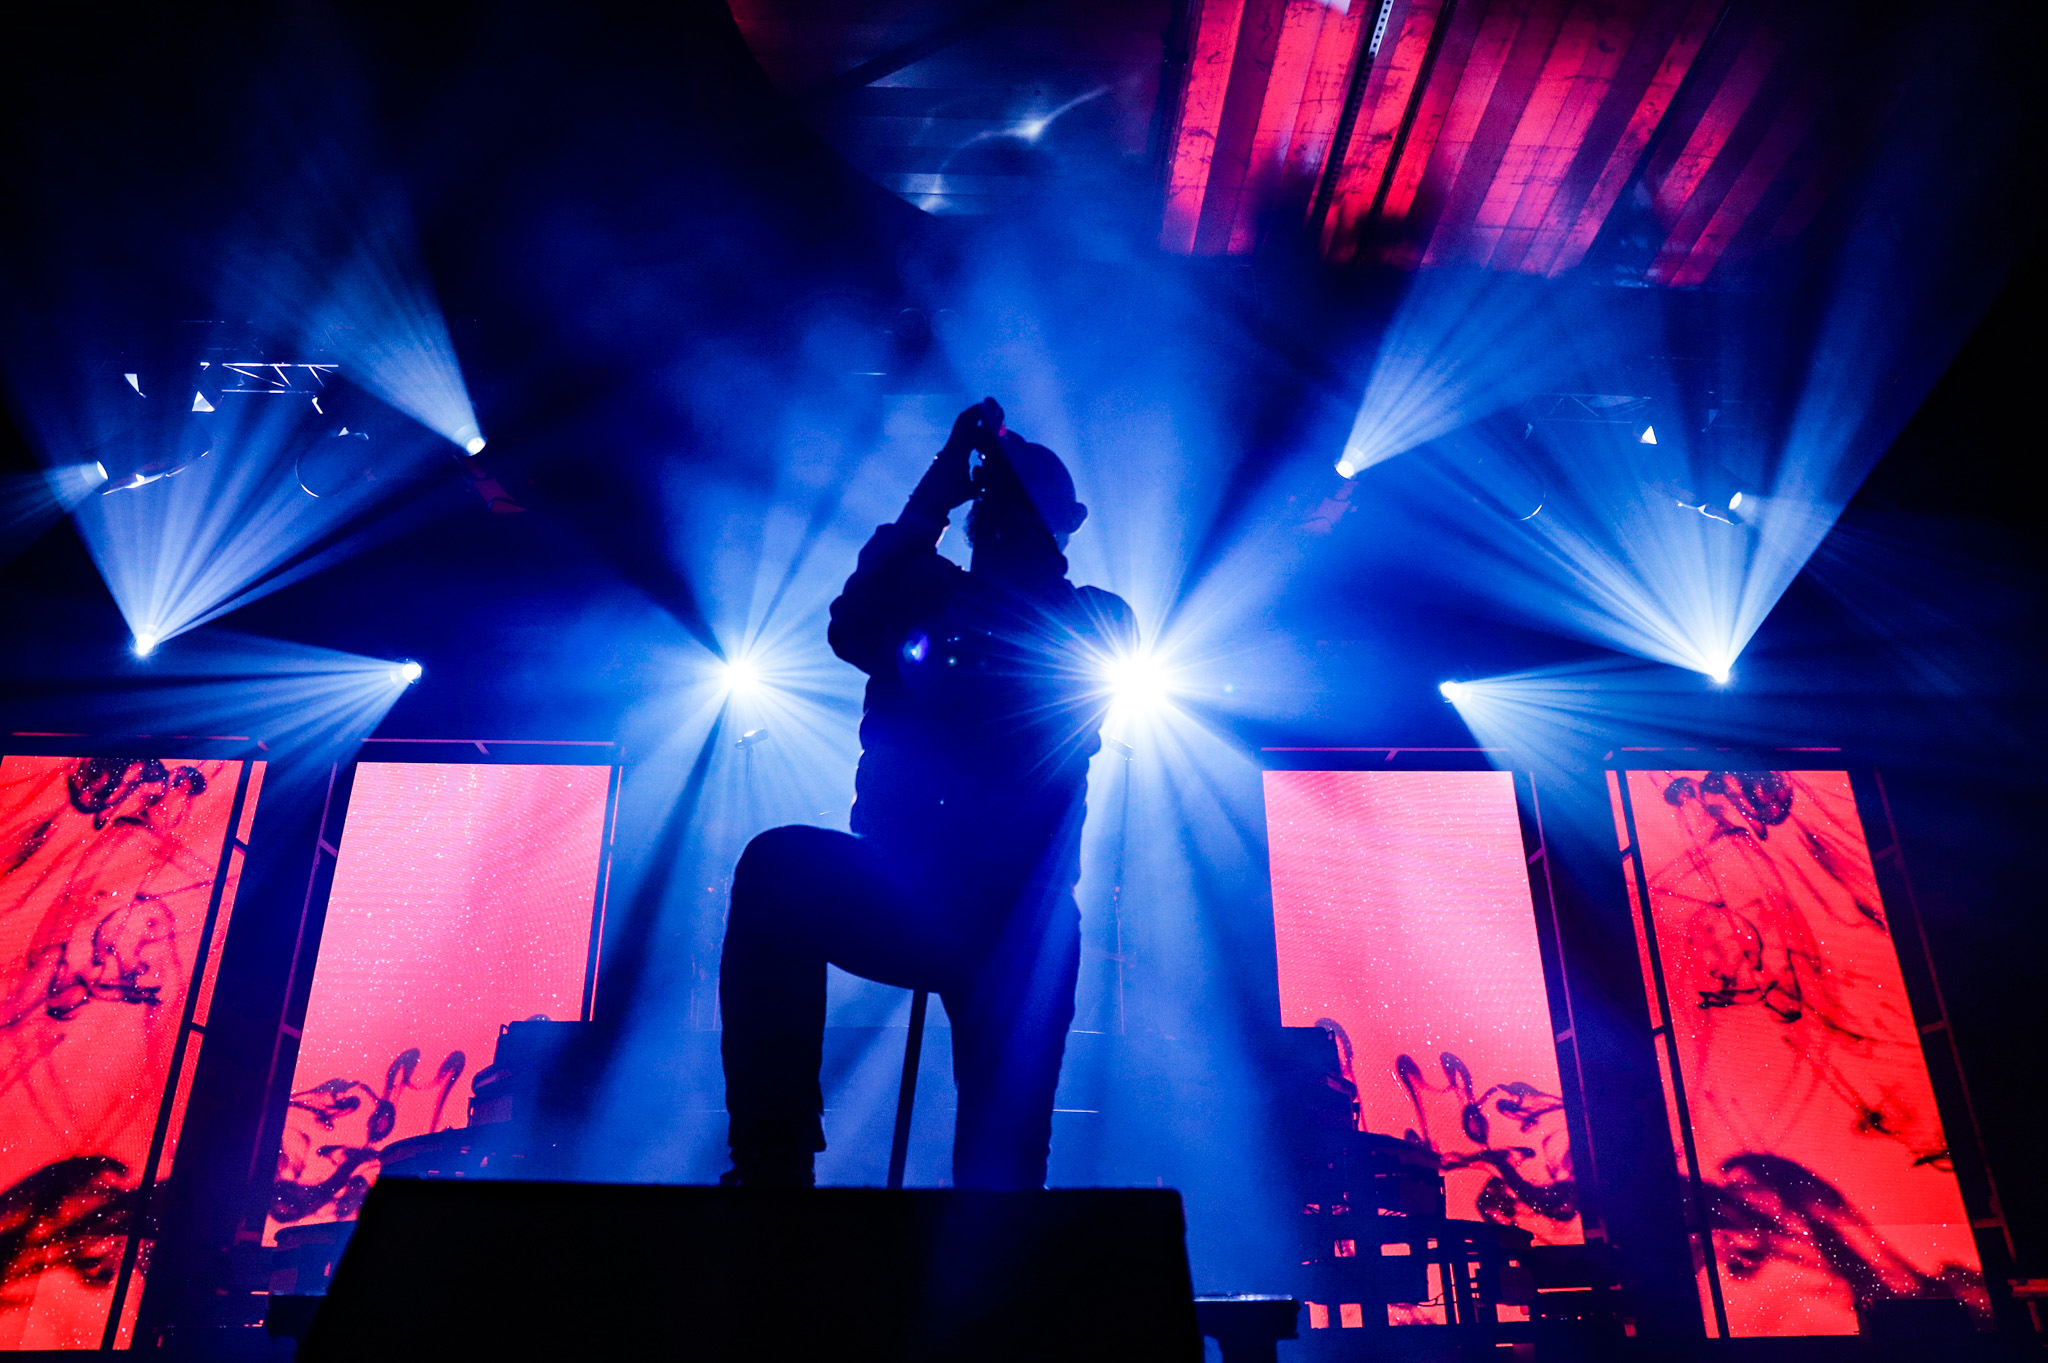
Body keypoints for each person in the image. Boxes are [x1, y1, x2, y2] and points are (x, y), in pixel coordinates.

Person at [719, 398, 1135, 1189]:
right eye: (998, 510)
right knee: (776, 870)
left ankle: (980, 1238)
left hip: (1018, 920)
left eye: (1014, 511)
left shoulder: (1093, 619)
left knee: (1000, 1185)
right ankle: (772, 1162)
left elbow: (1004, 639)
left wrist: (958, 495)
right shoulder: (929, 594)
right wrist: (941, 486)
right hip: (911, 889)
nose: (1000, 524)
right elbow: (849, 626)